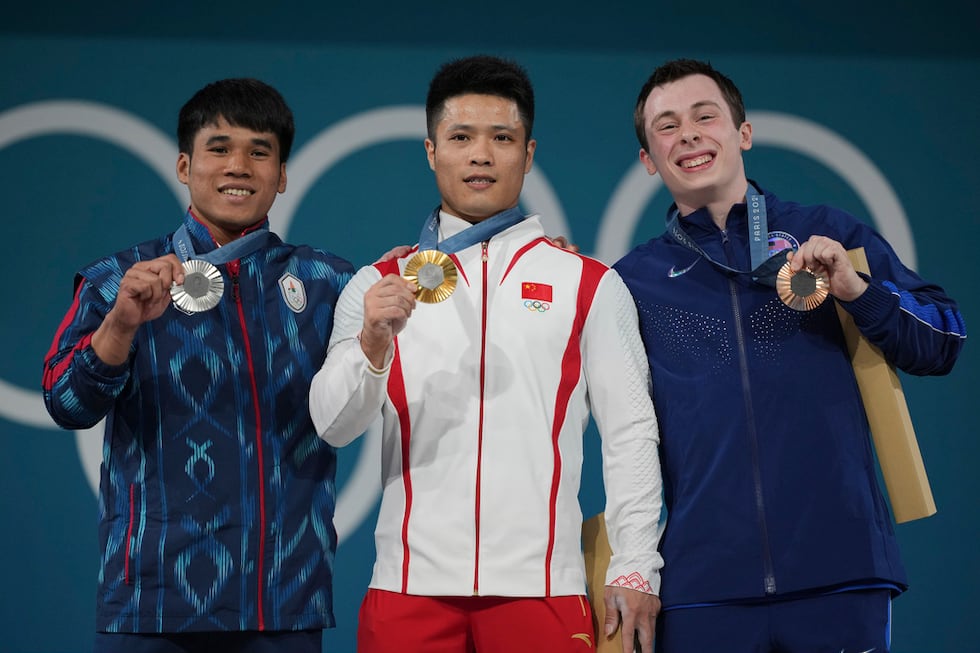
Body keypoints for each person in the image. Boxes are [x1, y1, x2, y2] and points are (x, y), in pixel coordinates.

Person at [308, 55, 664, 653]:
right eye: (461, 137)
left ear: (527, 155)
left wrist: (635, 565)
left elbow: (630, 431)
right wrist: (372, 345)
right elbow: (333, 426)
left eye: (502, 139)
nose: (481, 155)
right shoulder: (378, 285)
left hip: (543, 591)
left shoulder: (588, 283)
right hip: (406, 591)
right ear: (431, 151)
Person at [614, 58, 967, 653]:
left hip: (840, 571)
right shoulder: (633, 280)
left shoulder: (827, 233)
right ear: (649, 160)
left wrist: (858, 291)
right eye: (667, 127)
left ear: (743, 133)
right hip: (704, 587)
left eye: (707, 116)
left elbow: (943, 341)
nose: (690, 134)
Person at [42, 78, 354, 652]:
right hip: (151, 605)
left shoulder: (330, 283)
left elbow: (424, 326)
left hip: (282, 605)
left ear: (282, 175)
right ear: (185, 165)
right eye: (219, 148)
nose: (239, 165)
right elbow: (66, 404)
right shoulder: (120, 278)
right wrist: (121, 324)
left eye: (260, 151)